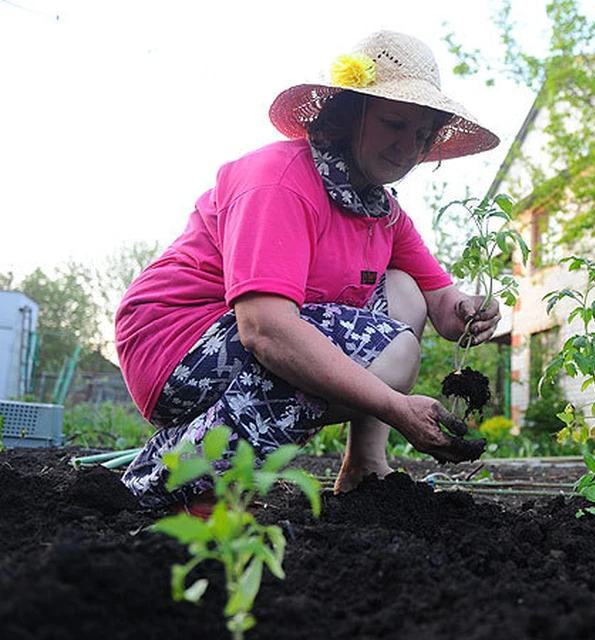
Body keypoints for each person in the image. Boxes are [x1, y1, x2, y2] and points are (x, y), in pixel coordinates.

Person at [115, 30, 500, 511]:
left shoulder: (382, 212)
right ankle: (181, 481)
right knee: (392, 350)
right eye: (395, 123)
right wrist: (395, 407)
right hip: (175, 341)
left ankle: (365, 467)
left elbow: (442, 305)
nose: (408, 148)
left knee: (403, 291)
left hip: (242, 342)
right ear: (351, 113)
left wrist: (471, 310)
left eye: (421, 137)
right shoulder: (280, 181)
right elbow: (265, 330)